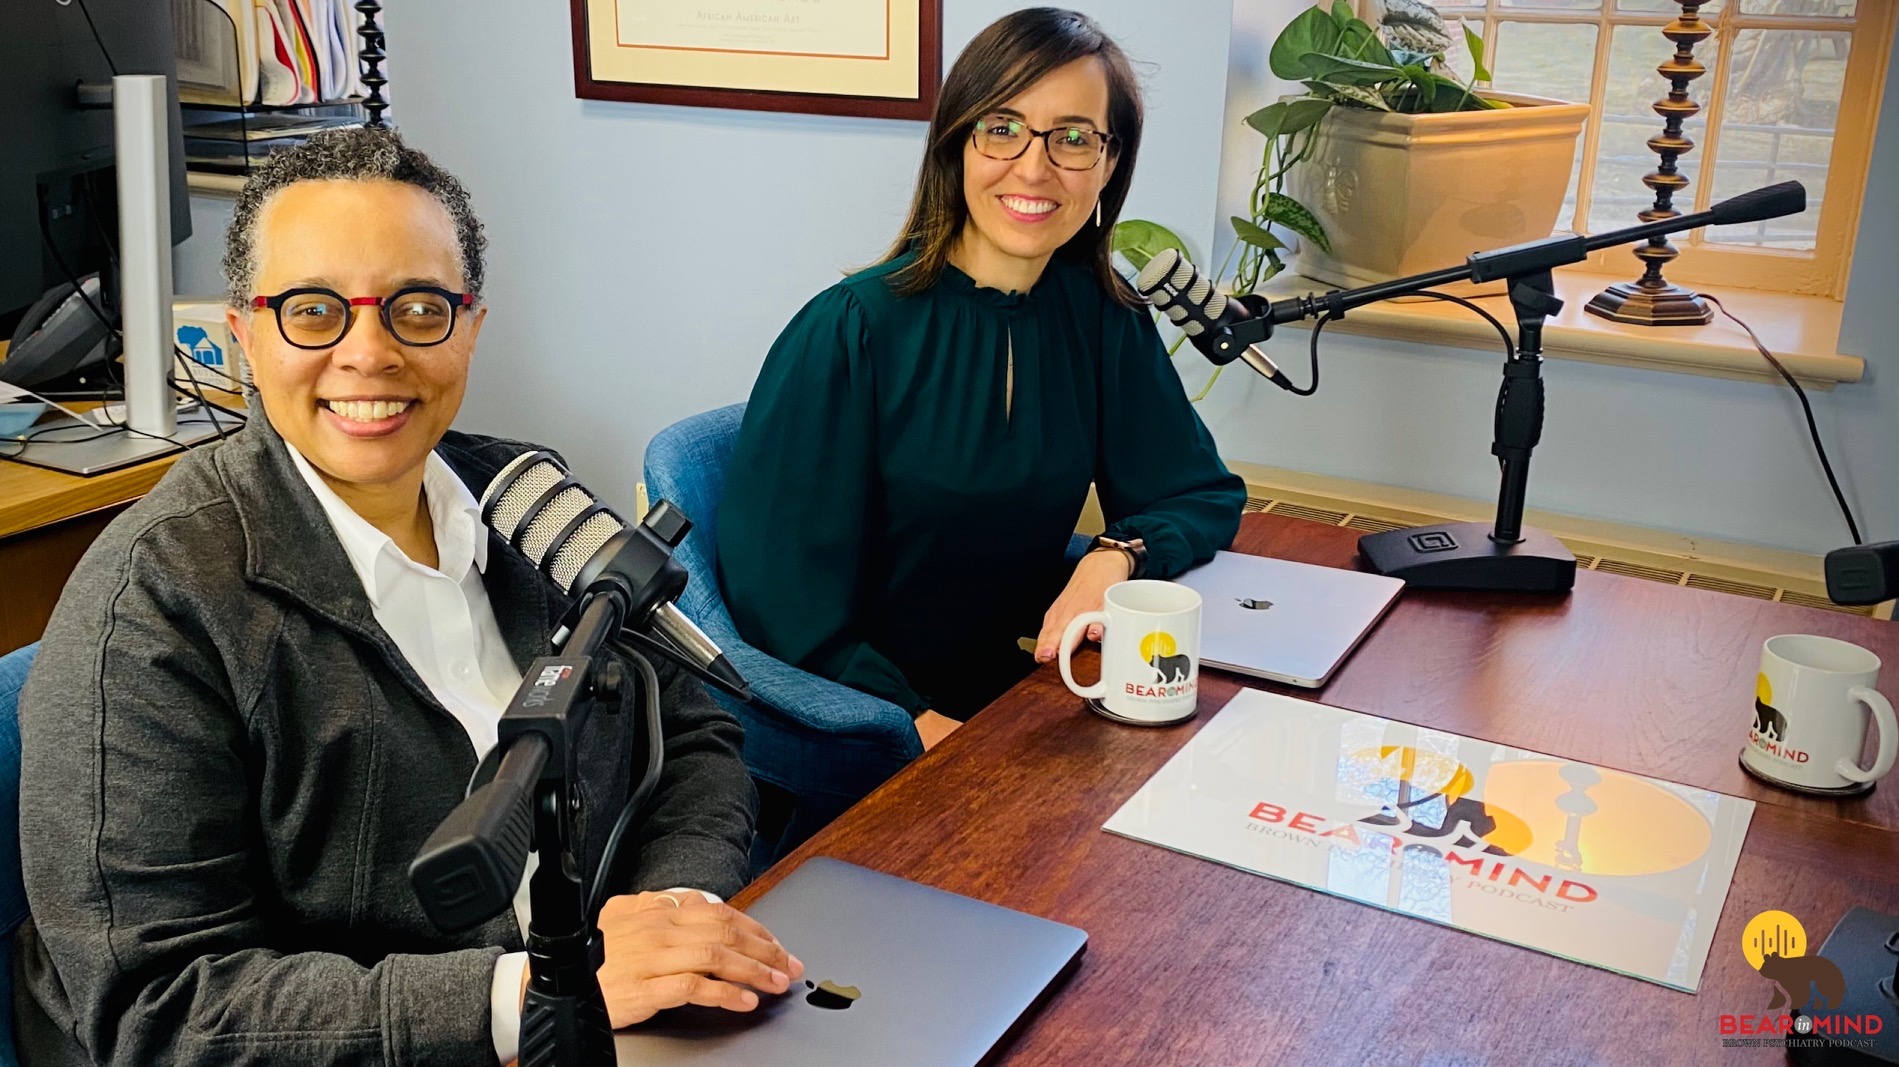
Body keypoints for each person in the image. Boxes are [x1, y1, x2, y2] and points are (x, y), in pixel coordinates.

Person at [12, 127, 800, 1067]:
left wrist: (679, 912)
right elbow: (159, 1008)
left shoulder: (526, 500)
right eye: (313, 311)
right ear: (244, 335)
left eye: (417, 307)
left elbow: (693, 735)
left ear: (470, 324)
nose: (369, 353)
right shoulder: (150, 608)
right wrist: (536, 990)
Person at [718, 8, 1246, 749]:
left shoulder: (1101, 318)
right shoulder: (850, 330)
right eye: (1002, 128)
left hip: (1033, 702)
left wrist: (1115, 553)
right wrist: (926, 733)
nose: (1034, 169)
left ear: (1109, 162)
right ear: (956, 143)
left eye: (1072, 138)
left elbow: (1196, 491)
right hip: (875, 728)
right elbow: (782, 603)